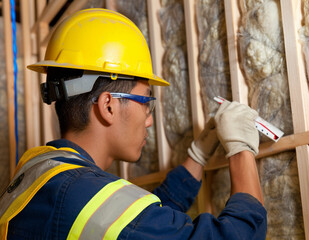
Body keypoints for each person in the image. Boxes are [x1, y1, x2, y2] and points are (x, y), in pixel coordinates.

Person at [0, 8, 267, 239]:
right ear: (108, 106)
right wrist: (241, 148)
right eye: (145, 103)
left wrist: (197, 157)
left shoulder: (39, 169)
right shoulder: (82, 199)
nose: (149, 120)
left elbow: (142, 222)